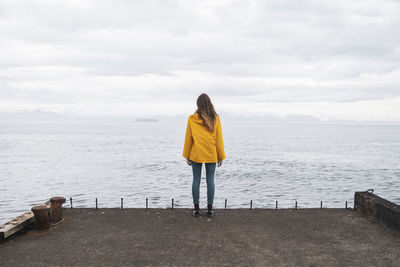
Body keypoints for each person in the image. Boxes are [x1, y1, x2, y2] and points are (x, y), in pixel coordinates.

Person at [182, 93, 226, 217]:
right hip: (211, 153)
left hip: (196, 153)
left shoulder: (192, 118)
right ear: (209, 103)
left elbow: (188, 138)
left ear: (198, 104)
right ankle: (210, 209)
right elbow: (219, 139)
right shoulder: (215, 118)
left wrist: (187, 155)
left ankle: (196, 209)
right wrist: (220, 155)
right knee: (210, 180)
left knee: (196, 180)